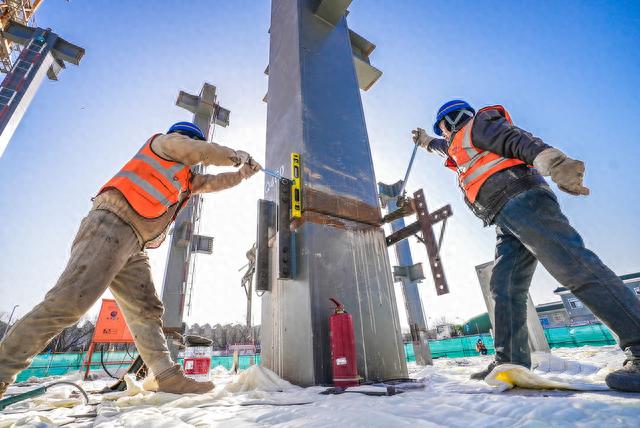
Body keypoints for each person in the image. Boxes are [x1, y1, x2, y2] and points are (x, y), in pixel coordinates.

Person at [0, 122, 261, 397]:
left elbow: (213, 183)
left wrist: (243, 173)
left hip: (134, 242)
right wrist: (236, 156)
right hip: (112, 222)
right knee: (69, 302)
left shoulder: (185, 179)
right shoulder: (164, 144)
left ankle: (166, 375)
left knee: (146, 310)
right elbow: (200, 151)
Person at [412, 100, 640, 392]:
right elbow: (441, 148)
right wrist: (425, 142)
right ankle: (510, 363)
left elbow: (516, 140)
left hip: (523, 200)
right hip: (504, 216)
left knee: (573, 265)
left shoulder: (478, 125)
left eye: (440, 128)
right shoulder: (458, 146)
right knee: (504, 287)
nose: (441, 135)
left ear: (451, 120)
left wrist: (555, 163)